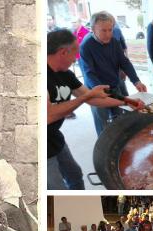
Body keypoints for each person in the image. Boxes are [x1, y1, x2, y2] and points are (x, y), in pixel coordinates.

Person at [47, 29, 141, 190]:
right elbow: (47, 116)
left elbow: (94, 98)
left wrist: (126, 102)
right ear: (63, 52)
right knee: (56, 188)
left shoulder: (65, 74)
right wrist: (84, 97)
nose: (76, 58)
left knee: (75, 175)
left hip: (55, 137)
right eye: (74, 54)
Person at [79, 11, 147, 136]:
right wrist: (102, 91)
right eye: (103, 30)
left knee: (119, 118)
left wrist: (136, 80)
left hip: (114, 85)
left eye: (110, 30)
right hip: (96, 91)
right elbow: (89, 73)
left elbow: (124, 62)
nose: (108, 34)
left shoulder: (114, 41)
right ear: (93, 29)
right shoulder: (86, 45)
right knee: (103, 124)